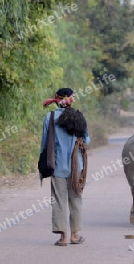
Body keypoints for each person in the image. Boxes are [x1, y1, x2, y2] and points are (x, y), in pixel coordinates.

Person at [41, 88, 90, 246]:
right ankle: (74, 236)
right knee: (75, 199)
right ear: (71, 100)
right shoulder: (79, 116)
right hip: (77, 167)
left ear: (57, 100)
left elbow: (44, 144)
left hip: (57, 166)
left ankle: (62, 238)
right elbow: (86, 141)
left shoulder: (50, 117)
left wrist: (42, 163)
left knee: (59, 200)